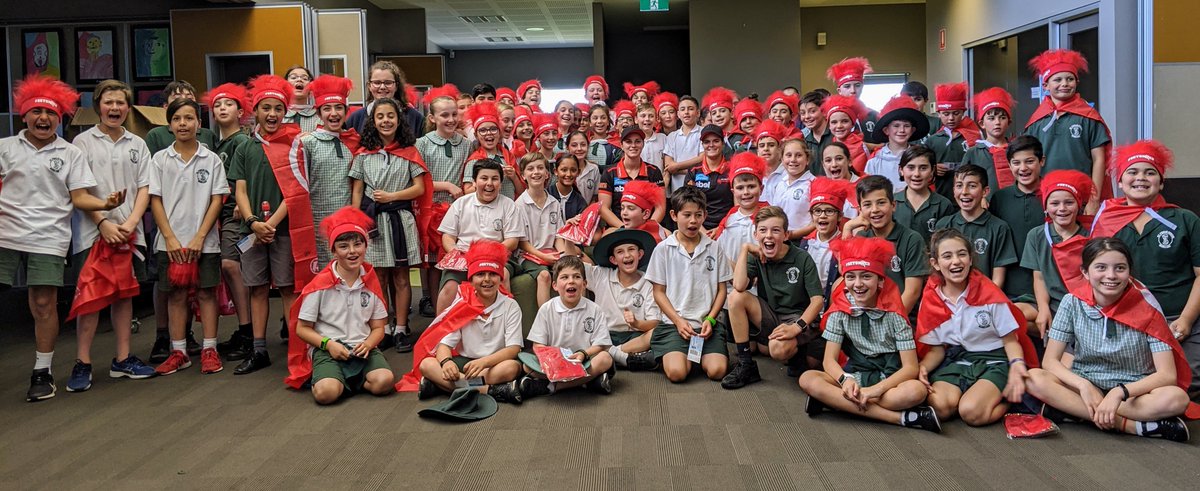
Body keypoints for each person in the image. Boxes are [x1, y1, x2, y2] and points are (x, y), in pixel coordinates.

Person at [2, 76, 126, 401]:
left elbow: (80, 196)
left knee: (44, 304)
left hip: (49, 238)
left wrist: (105, 204)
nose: (44, 119)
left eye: (51, 114)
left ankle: (42, 373)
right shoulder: (5, 148)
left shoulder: (70, 153)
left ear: (60, 118)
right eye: (37, 112)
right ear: (24, 115)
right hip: (6, 237)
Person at [1025, 238, 1192, 442]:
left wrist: (1119, 393)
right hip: (1087, 382)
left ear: (1129, 271)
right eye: (1101, 268)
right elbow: (1050, 361)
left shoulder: (1148, 306)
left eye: (1120, 268)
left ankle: (1076, 412)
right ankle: (1128, 426)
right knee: (1033, 378)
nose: (1111, 276)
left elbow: (1167, 375)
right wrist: (1083, 386)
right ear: (1085, 272)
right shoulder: (1072, 302)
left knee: (1177, 399)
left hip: (1132, 391)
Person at [1091, 140, 1200, 397]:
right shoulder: (1105, 220)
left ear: (1161, 183)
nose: (1141, 177)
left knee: (1188, 381)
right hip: (1125, 320)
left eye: (1150, 172)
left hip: (1178, 319)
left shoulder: (1185, 219)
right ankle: (1136, 404)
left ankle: (1125, 402)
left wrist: (1185, 319)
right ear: (1120, 182)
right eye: (1132, 171)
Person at [66, 80, 155, 391]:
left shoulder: (137, 144)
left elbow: (146, 187)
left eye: (120, 103)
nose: (115, 108)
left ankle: (122, 359)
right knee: (90, 300)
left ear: (128, 108)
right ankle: (83, 362)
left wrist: (131, 223)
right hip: (92, 235)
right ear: (98, 106)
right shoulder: (81, 144)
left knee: (124, 296)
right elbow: (80, 190)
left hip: (130, 235)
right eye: (109, 103)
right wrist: (103, 222)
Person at [797, 236, 939, 432]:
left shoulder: (894, 314)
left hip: (888, 378)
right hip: (856, 373)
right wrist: (845, 381)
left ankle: (837, 403)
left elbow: (910, 368)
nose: (858, 284)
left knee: (916, 391)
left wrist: (874, 391)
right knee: (807, 378)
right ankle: (899, 418)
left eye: (866, 276)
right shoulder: (840, 310)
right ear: (844, 280)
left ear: (880, 280)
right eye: (851, 276)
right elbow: (829, 361)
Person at [915, 229, 1038, 426]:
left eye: (962, 254)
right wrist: (922, 368)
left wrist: (1016, 363)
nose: (956, 261)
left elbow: (1010, 340)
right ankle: (976, 395)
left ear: (971, 259)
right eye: (947, 256)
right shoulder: (932, 298)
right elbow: (937, 350)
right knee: (940, 406)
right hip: (959, 358)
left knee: (971, 413)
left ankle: (1012, 402)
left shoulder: (989, 294)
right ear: (935, 264)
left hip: (995, 359)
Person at [227, 74, 306, 375]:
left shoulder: (293, 145)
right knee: (257, 289)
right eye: (266, 108)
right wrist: (252, 222)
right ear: (255, 111)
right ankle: (259, 349)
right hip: (253, 230)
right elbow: (240, 189)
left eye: (278, 109)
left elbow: (296, 191)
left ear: (285, 112)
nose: (272, 114)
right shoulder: (245, 147)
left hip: (283, 230)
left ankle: (298, 350)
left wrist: (270, 224)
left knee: (288, 288)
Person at [149, 97, 228, 376]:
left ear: (199, 123)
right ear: (169, 125)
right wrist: (170, 238)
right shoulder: (159, 159)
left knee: (207, 294)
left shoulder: (212, 159)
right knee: (176, 296)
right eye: (177, 119)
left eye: (189, 118)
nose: (183, 124)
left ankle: (209, 348)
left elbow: (218, 199)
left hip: (204, 242)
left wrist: (200, 237)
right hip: (169, 243)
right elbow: (154, 200)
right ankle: (179, 351)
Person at [287, 207, 394, 404]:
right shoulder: (320, 285)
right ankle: (329, 379)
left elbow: (378, 327)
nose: (352, 251)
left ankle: (349, 381)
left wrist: (369, 344)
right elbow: (302, 329)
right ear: (333, 251)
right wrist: (328, 344)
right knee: (326, 395)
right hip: (329, 349)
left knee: (384, 382)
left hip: (362, 348)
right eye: (344, 246)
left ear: (365, 245)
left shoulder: (370, 281)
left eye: (358, 244)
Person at [350, 97, 432, 354]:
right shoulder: (364, 154)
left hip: (400, 219)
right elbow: (357, 191)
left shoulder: (409, 151)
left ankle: (401, 327)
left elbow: (419, 188)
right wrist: (356, 222)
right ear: (373, 122)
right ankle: (383, 327)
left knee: (401, 276)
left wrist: (392, 196)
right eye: (380, 117)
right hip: (373, 221)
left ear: (399, 120)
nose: (386, 121)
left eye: (391, 116)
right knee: (378, 276)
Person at [409, 240, 524, 404]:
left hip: (492, 364)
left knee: (512, 368)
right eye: (480, 274)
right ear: (471, 279)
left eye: (492, 274)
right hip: (466, 364)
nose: (487, 280)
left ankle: (446, 386)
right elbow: (444, 346)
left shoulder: (510, 305)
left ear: (500, 278)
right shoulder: (463, 304)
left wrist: (484, 362)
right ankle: (486, 390)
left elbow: (513, 348)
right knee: (426, 364)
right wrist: (447, 362)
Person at [723, 206, 824, 389]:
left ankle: (797, 352)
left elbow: (817, 300)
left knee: (778, 350)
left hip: (797, 317)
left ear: (785, 235)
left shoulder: (802, 258)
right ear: (755, 234)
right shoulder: (757, 255)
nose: (768, 235)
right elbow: (738, 285)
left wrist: (796, 327)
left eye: (775, 230)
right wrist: (745, 249)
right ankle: (746, 364)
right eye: (763, 230)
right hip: (771, 314)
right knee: (735, 297)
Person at [645, 186, 732, 383]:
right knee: (677, 374)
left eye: (698, 215)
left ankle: (692, 354)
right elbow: (658, 292)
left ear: (705, 215)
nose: (693, 221)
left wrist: (710, 319)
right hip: (674, 324)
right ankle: (663, 354)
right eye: (687, 215)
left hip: (706, 324)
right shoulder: (663, 249)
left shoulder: (714, 247)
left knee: (717, 371)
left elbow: (721, 289)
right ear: (674, 215)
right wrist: (678, 321)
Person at [1023, 49, 1110, 213]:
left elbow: (1099, 159)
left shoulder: (1089, 117)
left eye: (1070, 79)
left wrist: (1094, 199)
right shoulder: (1036, 121)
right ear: (1045, 85)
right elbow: (1028, 161)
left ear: (1076, 82)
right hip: (1046, 198)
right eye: (1058, 79)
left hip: (1081, 198)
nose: (1064, 83)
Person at [205, 83, 256, 360]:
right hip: (216, 214)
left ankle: (248, 332)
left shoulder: (242, 141)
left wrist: (240, 203)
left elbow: (246, 177)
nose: (222, 108)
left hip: (234, 214)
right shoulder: (216, 143)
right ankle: (243, 328)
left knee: (232, 266)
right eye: (217, 104)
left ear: (241, 111)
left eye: (229, 104)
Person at [518, 255, 617, 398]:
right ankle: (587, 382)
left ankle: (550, 387)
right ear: (555, 285)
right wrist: (555, 359)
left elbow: (600, 344)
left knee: (605, 359)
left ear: (584, 284)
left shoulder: (595, 309)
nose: (571, 281)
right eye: (564, 277)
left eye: (576, 277)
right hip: (555, 363)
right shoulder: (547, 309)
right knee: (527, 366)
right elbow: (538, 345)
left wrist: (583, 354)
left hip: (583, 361)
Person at [435, 160, 524, 313]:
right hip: (464, 257)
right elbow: (448, 237)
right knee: (449, 287)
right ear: (475, 182)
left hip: (497, 257)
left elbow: (513, 241)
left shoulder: (509, 205)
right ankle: (441, 333)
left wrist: (486, 256)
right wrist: (457, 252)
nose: (489, 183)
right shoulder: (461, 204)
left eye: (495, 179)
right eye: (484, 178)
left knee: (503, 277)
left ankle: (504, 325)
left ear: (501, 183)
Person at [415, 84, 470, 318]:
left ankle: (455, 308)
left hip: (457, 210)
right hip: (431, 210)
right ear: (432, 117)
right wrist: (446, 185)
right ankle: (438, 312)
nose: (450, 119)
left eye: (454, 114)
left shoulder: (466, 143)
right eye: (444, 115)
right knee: (434, 263)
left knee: (453, 259)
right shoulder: (423, 144)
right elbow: (418, 180)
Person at [1020, 170, 1094, 340]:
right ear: (1046, 206)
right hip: (1050, 301)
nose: (1062, 209)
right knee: (1012, 314)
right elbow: (1038, 278)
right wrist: (1043, 308)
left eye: (1069, 202)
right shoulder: (1036, 234)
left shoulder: (1092, 234)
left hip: (1082, 303)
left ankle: (1058, 338)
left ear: (1079, 204)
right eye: (1055, 203)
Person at [844, 175, 929, 315]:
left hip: (902, 316)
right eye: (867, 205)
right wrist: (848, 227)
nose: (875, 209)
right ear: (859, 210)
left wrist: (890, 324)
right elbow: (845, 273)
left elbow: (912, 292)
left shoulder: (911, 239)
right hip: (867, 313)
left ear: (893, 205)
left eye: (881, 203)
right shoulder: (861, 237)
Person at [581, 228, 660, 371]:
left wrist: (636, 322)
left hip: (633, 338)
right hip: (605, 335)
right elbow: (572, 264)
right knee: (586, 335)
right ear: (613, 259)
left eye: (631, 249)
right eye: (620, 252)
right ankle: (625, 359)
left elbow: (654, 323)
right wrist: (568, 238)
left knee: (657, 332)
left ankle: (612, 354)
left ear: (640, 254)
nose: (627, 255)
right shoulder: (601, 274)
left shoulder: (648, 283)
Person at [934, 164, 1019, 288]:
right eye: (959, 186)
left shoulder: (999, 228)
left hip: (985, 299)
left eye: (972, 186)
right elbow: (938, 271)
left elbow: (998, 279)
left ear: (985, 191)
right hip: (950, 299)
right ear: (953, 190)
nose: (964, 192)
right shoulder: (943, 225)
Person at [989, 135, 1047, 310]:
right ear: (1009, 165)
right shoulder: (1000, 198)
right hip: (1009, 287)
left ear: (1041, 161)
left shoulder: (1055, 196)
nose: (1023, 168)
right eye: (1016, 163)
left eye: (1029, 161)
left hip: (1047, 286)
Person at [797, 177, 855, 311]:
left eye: (829, 211)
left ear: (839, 216)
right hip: (806, 307)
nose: (822, 216)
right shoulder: (806, 242)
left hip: (832, 306)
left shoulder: (846, 244)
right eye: (817, 211)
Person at [514, 153, 564, 305]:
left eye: (540, 168)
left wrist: (563, 254)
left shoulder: (554, 202)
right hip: (529, 255)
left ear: (547, 173)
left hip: (551, 252)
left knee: (572, 269)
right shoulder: (519, 205)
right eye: (530, 169)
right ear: (523, 175)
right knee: (544, 276)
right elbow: (522, 243)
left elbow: (558, 236)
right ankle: (545, 321)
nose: (536, 172)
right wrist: (543, 257)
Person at [597, 126, 666, 228]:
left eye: (638, 141)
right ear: (621, 145)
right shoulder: (609, 172)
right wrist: (623, 228)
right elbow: (603, 208)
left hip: (647, 228)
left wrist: (647, 228)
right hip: (618, 227)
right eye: (628, 142)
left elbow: (660, 207)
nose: (633, 145)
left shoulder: (654, 171)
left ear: (643, 144)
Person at [924, 82, 981, 201]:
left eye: (956, 113)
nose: (951, 118)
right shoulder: (932, 141)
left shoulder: (974, 136)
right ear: (938, 113)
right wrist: (933, 169)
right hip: (942, 196)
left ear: (963, 112)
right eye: (946, 114)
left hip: (969, 196)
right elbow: (923, 168)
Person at [892, 145, 957, 247]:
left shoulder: (943, 205)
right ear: (901, 170)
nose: (917, 174)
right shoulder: (891, 202)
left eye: (923, 168)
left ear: (932, 171)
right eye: (911, 167)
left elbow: (946, 243)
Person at [864, 95, 931, 192]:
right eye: (896, 126)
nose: (902, 130)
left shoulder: (920, 157)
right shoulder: (875, 161)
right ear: (886, 130)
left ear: (912, 130)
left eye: (906, 126)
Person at [712, 153, 769, 266]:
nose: (746, 192)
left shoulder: (769, 218)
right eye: (740, 188)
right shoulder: (729, 220)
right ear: (733, 191)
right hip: (730, 278)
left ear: (761, 189)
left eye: (751, 186)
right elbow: (720, 252)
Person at [961, 88, 1019, 196]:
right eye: (991, 118)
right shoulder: (973, 153)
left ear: (1009, 122)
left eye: (1002, 118)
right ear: (982, 123)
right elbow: (962, 183)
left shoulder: (1016, 150)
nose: (997, 122)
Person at [462, 101, 523, 199]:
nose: (488, 133)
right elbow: (467, 192)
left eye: (493, 129)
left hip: (509, 209)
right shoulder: (474, 161)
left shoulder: (508, 157)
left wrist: (514, 176)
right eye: (482, 130)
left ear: (499, 133)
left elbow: (521, 191)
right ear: (476, 135)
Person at [346, 61, 423, 138]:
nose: (382, 87)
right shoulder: (356, 119)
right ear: (369, 86)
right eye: (377, 82)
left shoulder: (415, 118)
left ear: (396, 86)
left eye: (388, 83)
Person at [144, 80, 217, 155]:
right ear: (166, 106)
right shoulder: (156, 135)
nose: (183, 102)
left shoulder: (208, 135)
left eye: (189, 98)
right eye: (177, 98)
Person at [686, 124, 734, 231]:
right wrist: (702, 231)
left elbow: (737, 206)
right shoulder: (694, 171)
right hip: (698, 227)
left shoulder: (732, 169)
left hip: (728, 226)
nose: (711, 145)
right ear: (702, 145)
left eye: (716, 141)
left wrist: (720, 228)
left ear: (723, 143)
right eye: (707, 142)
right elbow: (688, 204)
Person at [765, 139, 816, 235]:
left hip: (804, 240)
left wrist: (793, 234)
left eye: (799, 155)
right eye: (788, 155)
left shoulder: (814, 183)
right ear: (782, 159)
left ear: (807, 159)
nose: (793, 160)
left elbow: (817, 221)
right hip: (781, 238)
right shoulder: (780, 184)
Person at [826, 57, 879, 133]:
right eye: (847, 86)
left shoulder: (874, 116)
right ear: (839, 91)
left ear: (862, 87)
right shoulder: (830, 116)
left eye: (857, 85)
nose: (853, 91)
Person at [820, 95, 870, 176]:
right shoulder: (828, 145)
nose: (839, 126)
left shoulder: (860, 148)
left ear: (852, 124)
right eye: (834, 122)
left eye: (844, 121)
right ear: (829, 125)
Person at [662, 95, 701, 191]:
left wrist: (677, 167)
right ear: (678, 114)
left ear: (698, 113)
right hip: (677, 191)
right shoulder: (672, 136)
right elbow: (669, 166)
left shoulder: (704, 133)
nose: (686, 112)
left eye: (690, 109)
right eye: (683, 109)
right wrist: (693, 170)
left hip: (699, 187)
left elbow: (703, 158)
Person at [799, 90, 831, 176]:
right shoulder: (804, 142)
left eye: (812, 111)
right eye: (802, 113)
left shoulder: (836, 136)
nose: (806, 117)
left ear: (824, 111)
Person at [564, 130, 602, 203]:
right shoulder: (562, 169)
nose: (579, 148)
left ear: (588, 146)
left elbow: (595, 196)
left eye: (583, 145)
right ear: (567, 148)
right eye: (574, 145)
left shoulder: (594, 169)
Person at [584, 104, 623, 173]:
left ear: (608, 121)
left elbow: (620, 165)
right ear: (589, 122)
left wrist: (599, 168)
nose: (599, 121)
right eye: (595, 118)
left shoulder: (617, 144)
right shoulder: (584, 143)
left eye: (603, 118)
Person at [549, 154, 588, 221]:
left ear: (578, 172)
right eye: (564, 170)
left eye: (573, 170)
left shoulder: (580, 202)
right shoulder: (547, 194)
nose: (569, 174)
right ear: (556, 171)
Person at [282, 65, 318, 133]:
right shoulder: (278, 114)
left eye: (304, 78)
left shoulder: (319, 115)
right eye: (293, 77)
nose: (299, 80)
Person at [637, 103, 667, 171]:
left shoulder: (663, 138)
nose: (647, 119)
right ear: (636, 119)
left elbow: (667, 163)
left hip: (659, 180)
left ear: (656, 120)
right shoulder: (633, 140)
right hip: (639, 180)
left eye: (651, 116)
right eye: (643, 116)